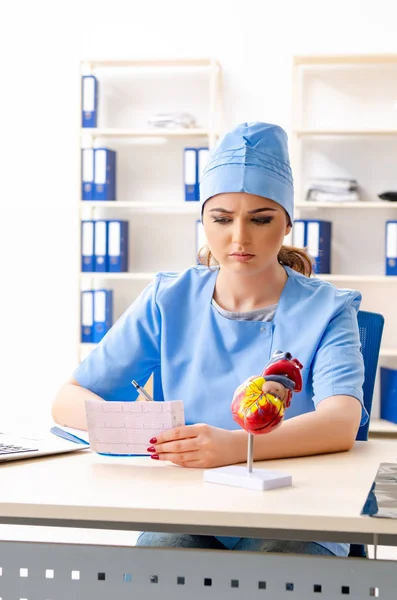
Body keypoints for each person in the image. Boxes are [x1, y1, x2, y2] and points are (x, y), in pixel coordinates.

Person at [52, 121, 368, 558]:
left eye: (261, 219)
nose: (239, 238)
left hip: (297, 506)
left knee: (277, 558)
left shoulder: (329, 308)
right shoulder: (168, 298)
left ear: (288, 222)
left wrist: (236, 446)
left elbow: (340, 423)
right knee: (164, 552)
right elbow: (68, 399)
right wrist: (144, 429)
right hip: (191, 500)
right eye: (221, 219)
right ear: (203, 220)